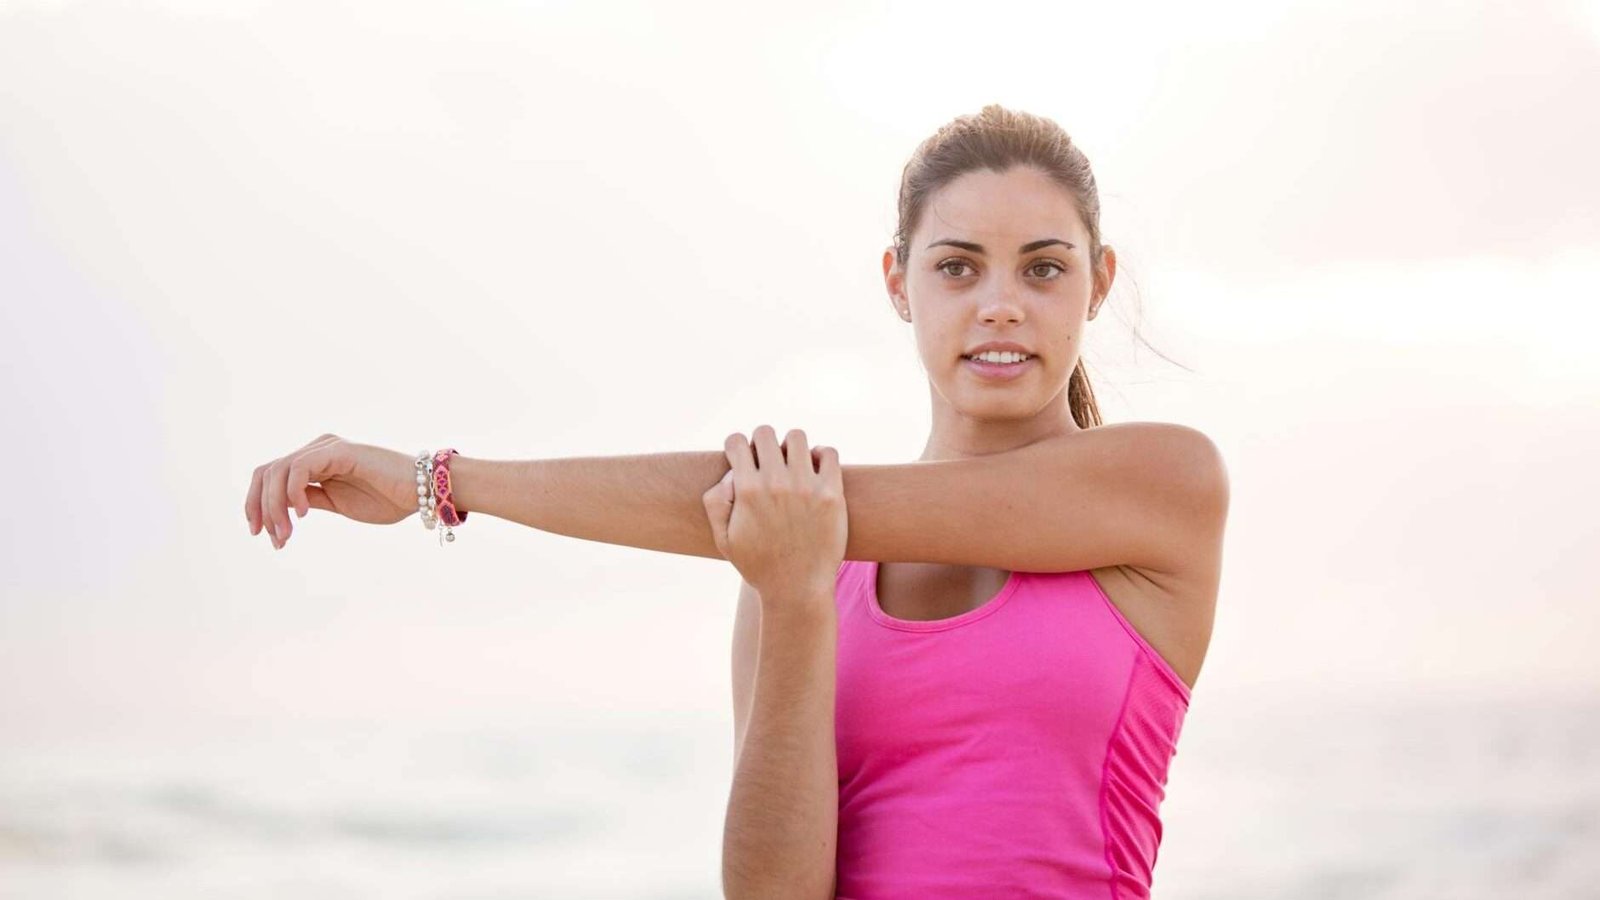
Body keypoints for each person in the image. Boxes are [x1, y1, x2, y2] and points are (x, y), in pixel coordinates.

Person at [242, 103, 1228, 899]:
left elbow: (747, 501)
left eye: (1043, 268)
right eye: (957, 266)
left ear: (1097, 282)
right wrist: (795, 599)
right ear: (898, 282)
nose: (999, 303)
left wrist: (438, 481)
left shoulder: (1161, 488)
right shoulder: (790, 550)